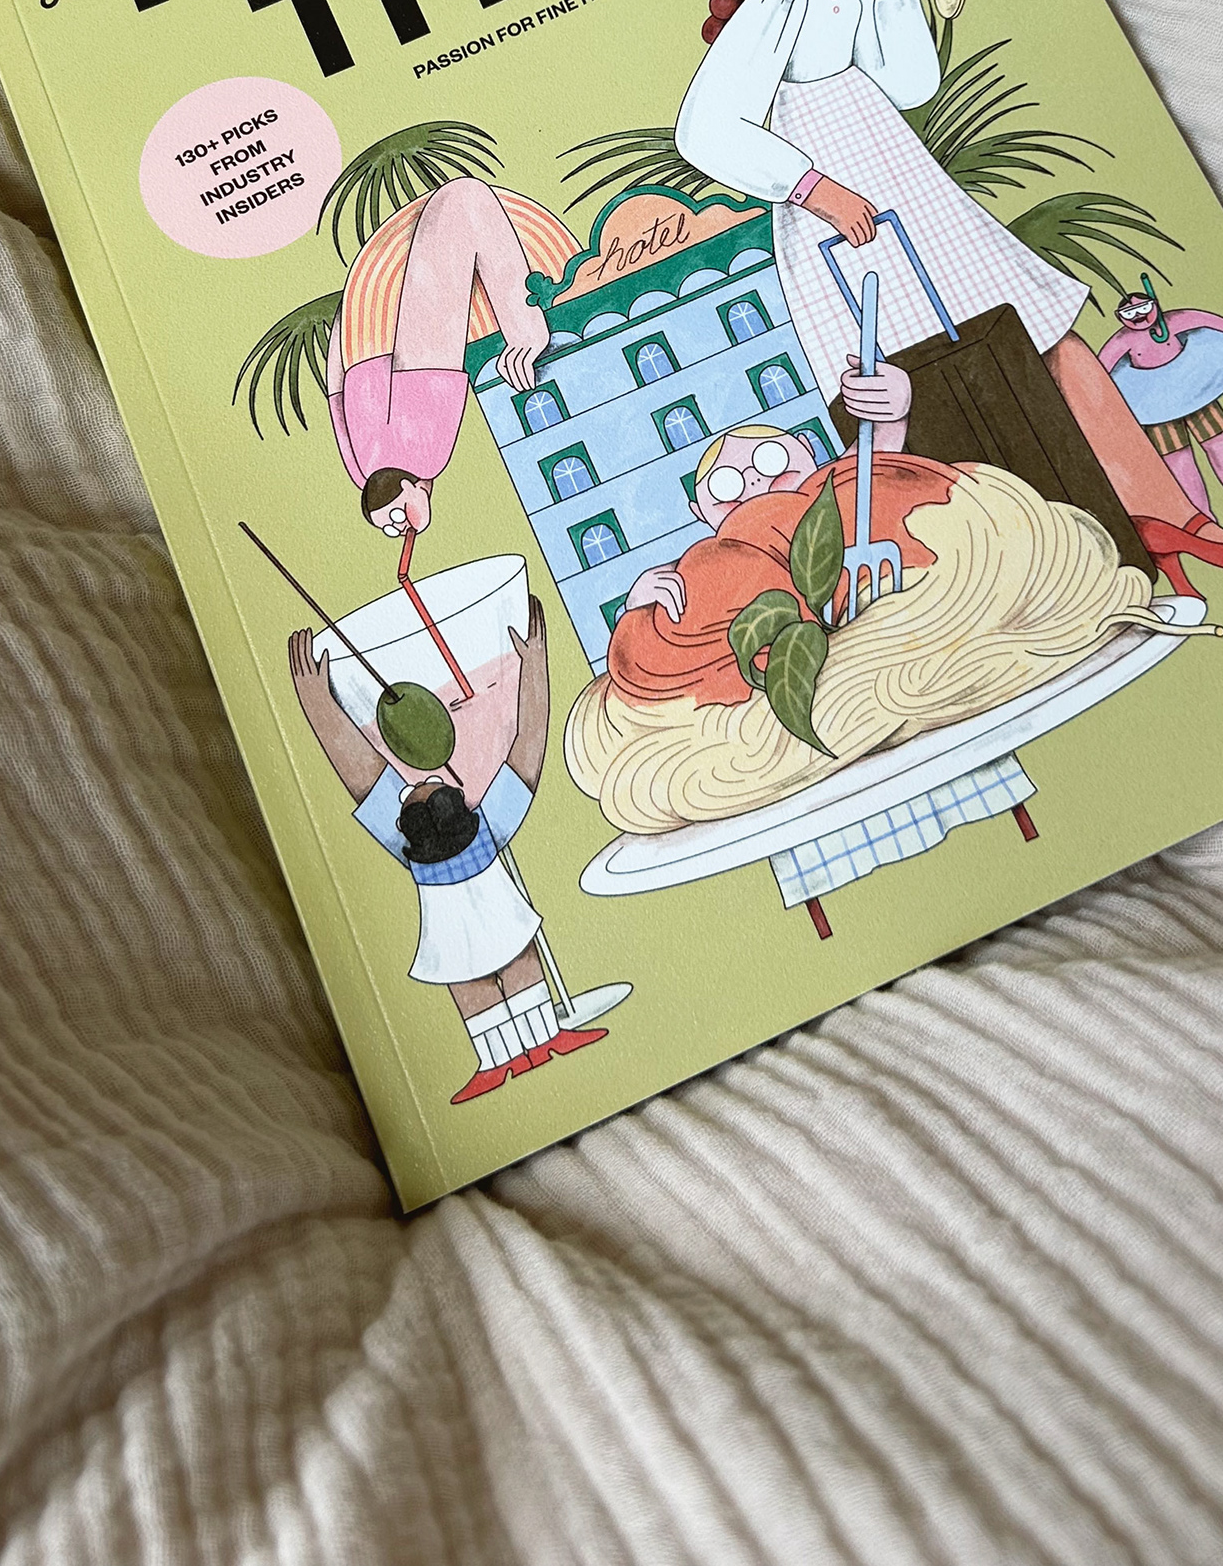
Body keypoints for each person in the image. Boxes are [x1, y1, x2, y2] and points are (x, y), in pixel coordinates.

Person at [673, 0, 1223, 597]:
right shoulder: (775, 1)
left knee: (1042, 336)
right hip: (838, 212)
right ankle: (1041, 583)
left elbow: (909, 83)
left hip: (905, 176)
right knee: (927, 395)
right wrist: (815, 190)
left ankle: (1176, 525)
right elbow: (704, 129)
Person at [286, 595, 607, 1106]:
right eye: (426, 786)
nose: (420, 779)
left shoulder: (411, 842)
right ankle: (512, 1054)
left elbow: (360, 774)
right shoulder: (485, 825)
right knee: (493, 972)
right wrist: (535, 667)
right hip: (471, 929)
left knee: (492, 974)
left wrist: (317, 706)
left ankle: (527, 1047)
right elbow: (528, 743)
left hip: (470, 929)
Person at [326, 175, 576, 544]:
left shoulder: (424, 452)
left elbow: (464, 200)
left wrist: (523, 325)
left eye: (394, 518)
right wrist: (364, 308)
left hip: (404, 344)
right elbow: (336, 382)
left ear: (408, 488)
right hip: (373, 327)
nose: (399, 529)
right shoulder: (361, 472)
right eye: (391, 526)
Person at [622, 353, 912, 623]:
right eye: (725, 485)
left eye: (770, 458)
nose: (753, 480)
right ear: (700, 513)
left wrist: (893, 408)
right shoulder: (725, 554)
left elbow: (875, 450)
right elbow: (690, 573)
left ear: (806, 448)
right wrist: (642, 597)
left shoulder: (835, 491)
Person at [1099, 287, 1223, 523]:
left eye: (1143, 308)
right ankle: (1199, 520)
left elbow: (1203, 318)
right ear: (1120, 317)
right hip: (1155, 408)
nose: (1139, 315)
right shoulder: (1122, 339)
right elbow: (1101, 366)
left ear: (1155, 304)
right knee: (1177, 460)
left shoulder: (1172, 320)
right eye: (1130, 313)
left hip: (1194, 392)